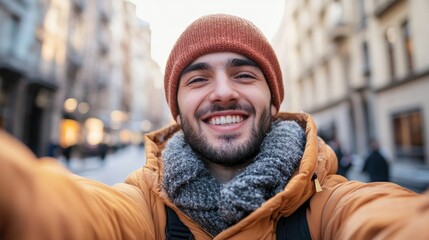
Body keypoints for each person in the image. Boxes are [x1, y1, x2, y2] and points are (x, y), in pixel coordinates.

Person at [1, 14, 428, 239]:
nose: (222, 92)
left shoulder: (330, 203)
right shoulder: (143, 207)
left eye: (244, 75)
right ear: (177, 109)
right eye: (198, 79)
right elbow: (57, 211)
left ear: (274, 100)